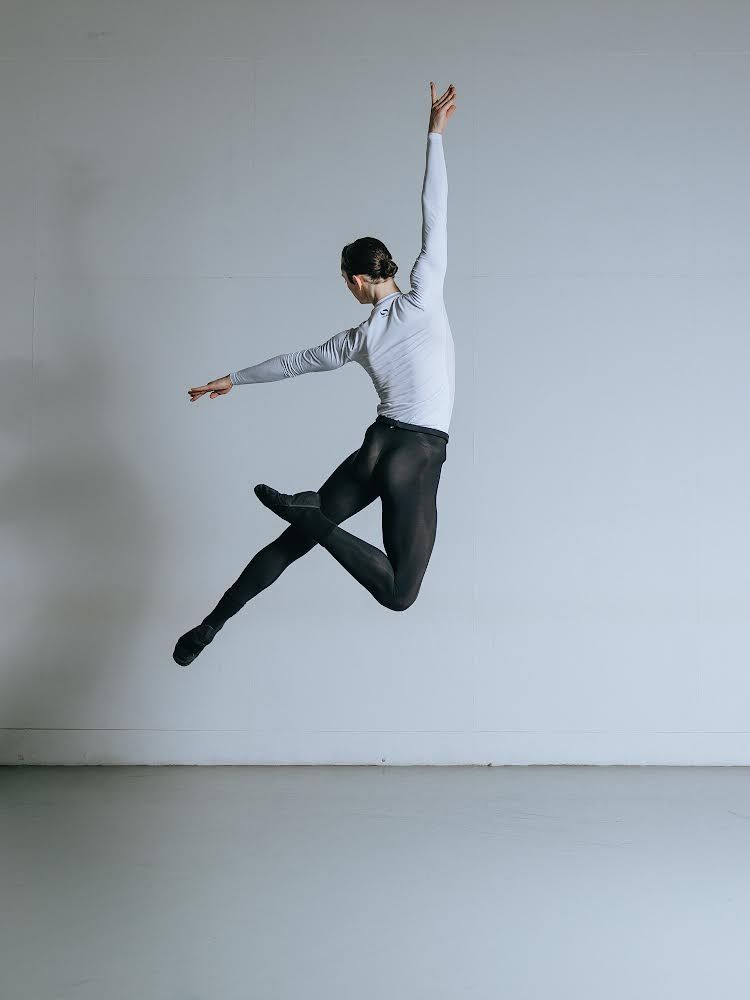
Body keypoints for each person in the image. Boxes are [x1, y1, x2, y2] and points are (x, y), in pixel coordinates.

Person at [173, 82, 457, 666]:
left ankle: (210, 625)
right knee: (400, 594)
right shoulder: (425, 293)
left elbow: (294, 363)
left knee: (291, 542)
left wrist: (233, 377)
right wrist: (435, 134)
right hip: (417, 453)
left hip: (377, 447)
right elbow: (435, 211)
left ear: (357, 280)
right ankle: (310, 515)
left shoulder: (358, 338)